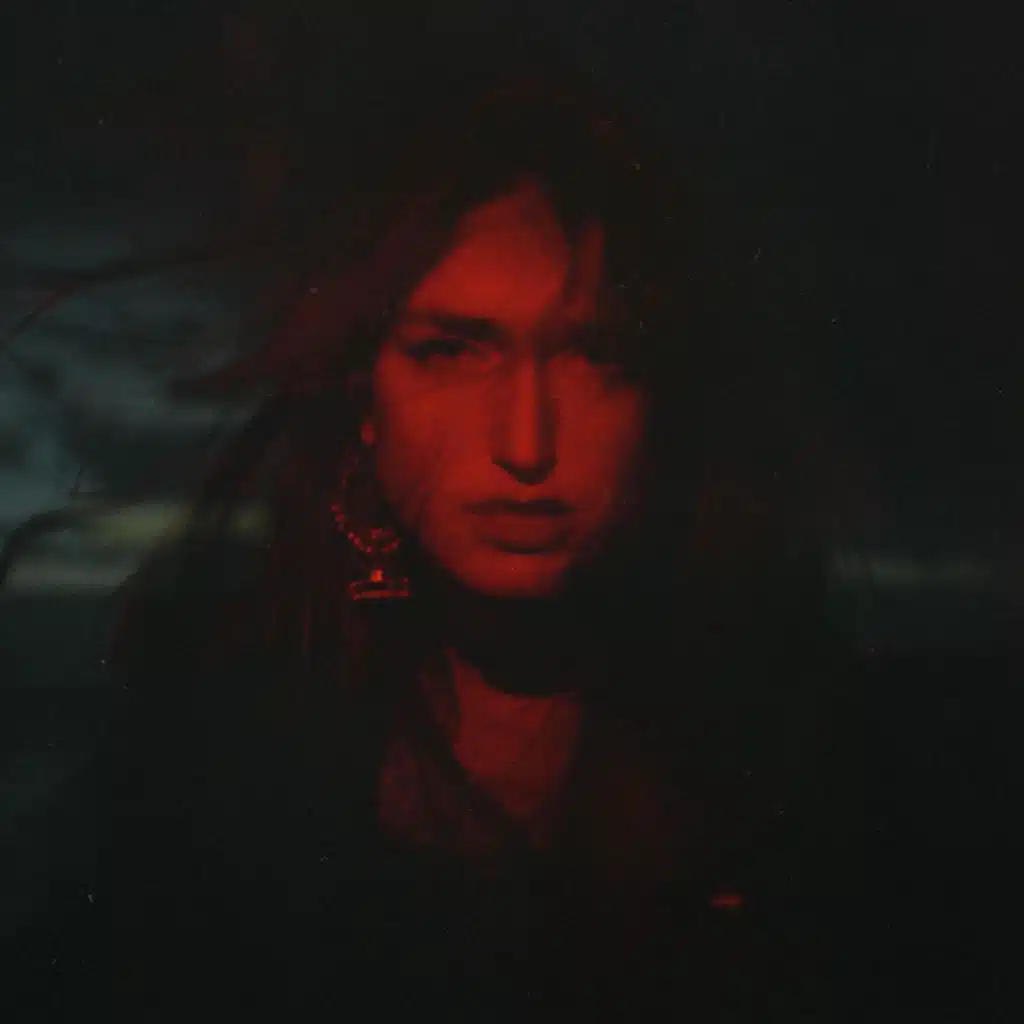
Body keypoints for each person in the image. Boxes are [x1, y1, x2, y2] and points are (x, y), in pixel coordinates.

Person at [17, 71, 870, 1022]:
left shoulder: (804, 750)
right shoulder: (214, 737)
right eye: (452, 351)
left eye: (594, 355)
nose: (525, 444)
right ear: (363, 397)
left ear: (662, 399)